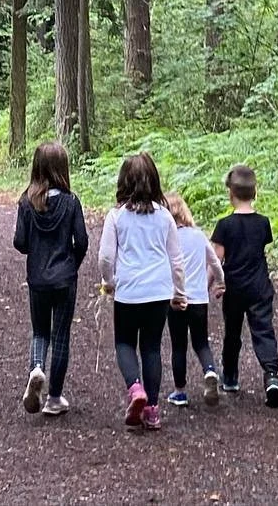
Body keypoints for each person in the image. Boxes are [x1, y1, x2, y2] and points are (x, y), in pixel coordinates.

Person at [99, 151, 187, 430]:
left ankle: (135, 389)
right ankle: (152, 409)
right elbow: (176, 259)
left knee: (124, 342)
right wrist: (180, 292)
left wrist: (109, 282)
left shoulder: (117, 217)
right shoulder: (165, 217)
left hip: (128, 291)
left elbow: (105, 257)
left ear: (124, 181)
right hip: (159, 291)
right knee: (151, 347)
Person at [13, 140, 89, 417]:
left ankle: (36, 367)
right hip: (65, 278)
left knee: (40, 330)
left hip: (37, 278)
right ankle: (54, 397)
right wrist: (72, 264)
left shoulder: (26, 202)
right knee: (61, 336)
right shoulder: (71, 202)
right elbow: (81, 241)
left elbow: (20, 242)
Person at [210, 165, 278, 407]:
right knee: (263, 330)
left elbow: (215, 260)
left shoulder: (224, 225)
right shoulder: (263, 223)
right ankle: (272, 375)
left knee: (232, 333)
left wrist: (210, 285)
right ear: (255, 192)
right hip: (259, 286)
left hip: (234, 288)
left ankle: (230, 377)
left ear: (230, 193)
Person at [164, 193, 224, 407]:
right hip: (200, 299)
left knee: (178, 345)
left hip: (176, 299)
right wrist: (220, 282)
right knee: (201, 342)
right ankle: (210, 371)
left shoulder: (167, 238)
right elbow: (215, 263)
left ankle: (180, 392)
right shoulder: (198, 235)